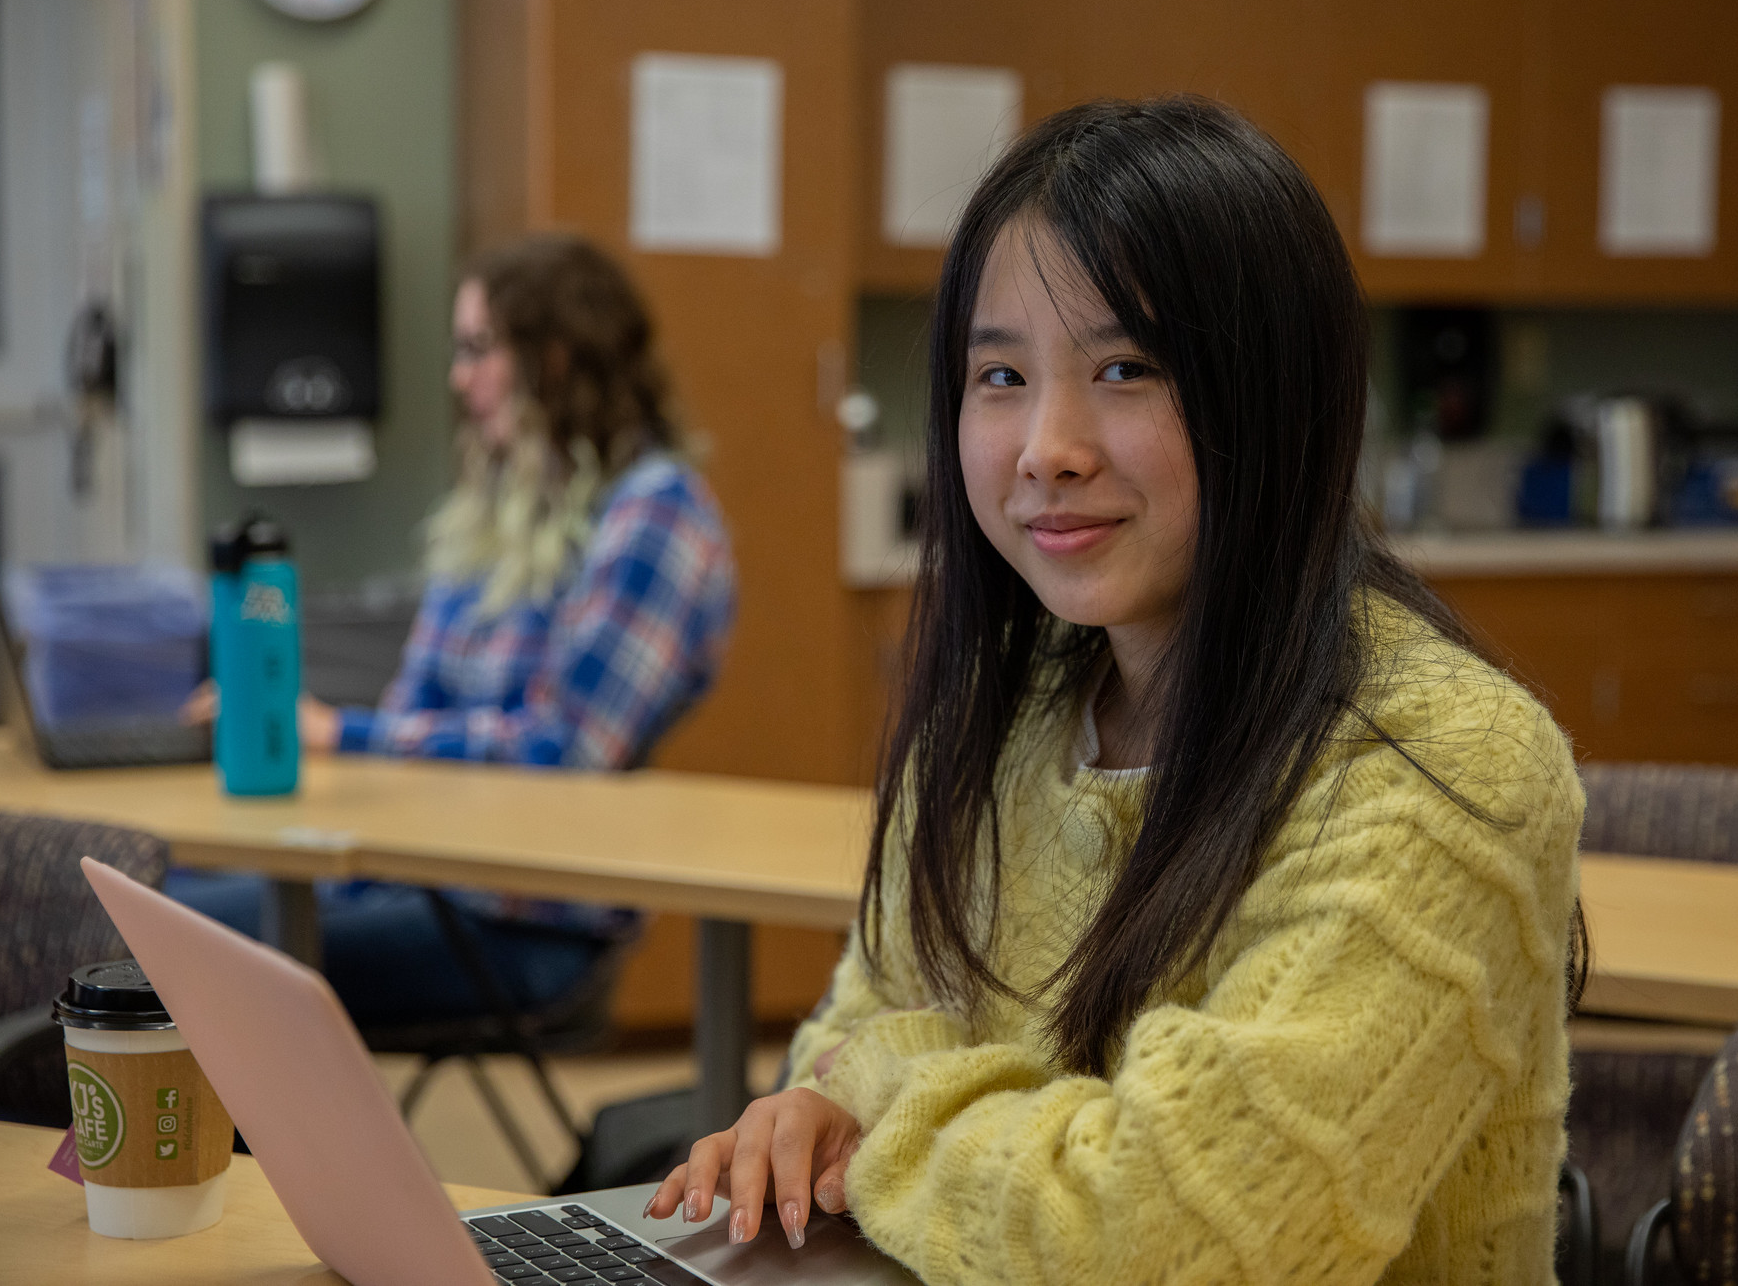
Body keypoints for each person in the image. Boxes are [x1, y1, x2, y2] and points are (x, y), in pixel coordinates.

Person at [645, 98, 1585, 1285]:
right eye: (999, 373)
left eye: (1125, 368)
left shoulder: (1439, 760)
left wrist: (882, 1099)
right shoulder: (1006, 708)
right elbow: (841, 1044)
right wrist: (815, 1114)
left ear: (1274, 395)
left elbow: (1162, 1237)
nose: (1046, 445)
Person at [170, 234, 735, 1024]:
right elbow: (414, 711)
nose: (458, 378)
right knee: (150, 900)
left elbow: (565, 751)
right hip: (416, 876)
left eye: (478, 349)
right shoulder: (495, 509)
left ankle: (245, 1152)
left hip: (523, 922)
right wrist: (326, 735)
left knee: (181, 949)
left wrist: (339, 731)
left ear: (558, 357)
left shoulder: (657, 511)